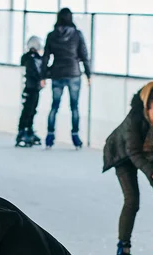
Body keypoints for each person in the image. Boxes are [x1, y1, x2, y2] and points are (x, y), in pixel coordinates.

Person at [103, 81, 153, 255]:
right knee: (132, 200)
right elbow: (134, 153)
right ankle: (123, 249)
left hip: (152, 155)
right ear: (147, 110)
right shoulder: (134, 119)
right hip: (124, 156)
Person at [41, 7, 91, 149]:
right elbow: (84, 55)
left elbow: (46, 57)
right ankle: (75, 137)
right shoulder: (77, 34)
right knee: (74, 107)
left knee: (54, 106)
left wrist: (43, 76)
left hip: (57, 73)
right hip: (74, 73)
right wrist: (88, 74)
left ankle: (50, 137)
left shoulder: (51, 35)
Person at [16, 36, 45, 148]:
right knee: (27, 110)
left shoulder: (37, 58)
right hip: (30, 88)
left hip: (35, 88)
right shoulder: (29, 59)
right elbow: (34, 72)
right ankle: (22, 131)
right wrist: (41, 78)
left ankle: (29, 129)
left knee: (32, 110)